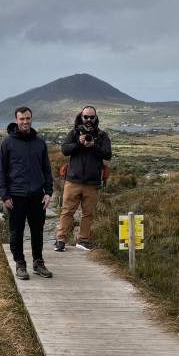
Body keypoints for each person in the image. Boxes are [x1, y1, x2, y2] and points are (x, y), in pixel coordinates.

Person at [0, 107, 54, 280]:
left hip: (37, 195)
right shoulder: (8, 143)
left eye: (28, 118)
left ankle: (38, 262)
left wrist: (48, 192)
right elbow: (1, 171)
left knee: (38, 231)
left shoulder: (40, 143)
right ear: (16, 120)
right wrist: (5, 195)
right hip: (16, 196)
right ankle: (20, 264)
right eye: (21, 119)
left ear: (31, 119)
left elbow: (46, 169)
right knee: (16, 232)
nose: (25, 122)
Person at [55, 105, 112, 251]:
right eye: (86, 117)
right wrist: (78, 143)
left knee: (88, 214)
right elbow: (65, 150)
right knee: (67, 211)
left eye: (91, 117)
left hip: (92, 183)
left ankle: (83, 240)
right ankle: (61, 240)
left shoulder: (101, 135)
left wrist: (93, 145)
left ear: (95, 118)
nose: (88, 120)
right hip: (73, 180)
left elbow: (108, 154)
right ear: (81, 117)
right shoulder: (74, 133)